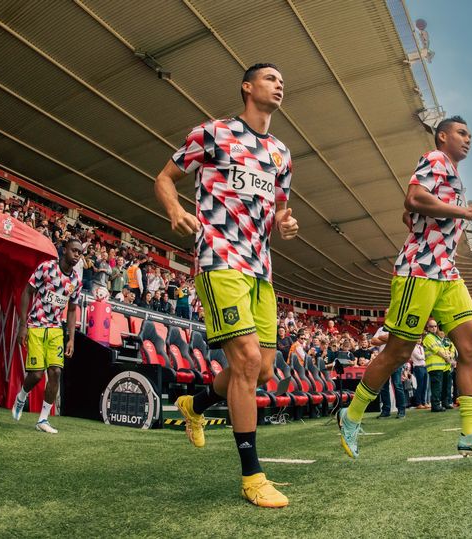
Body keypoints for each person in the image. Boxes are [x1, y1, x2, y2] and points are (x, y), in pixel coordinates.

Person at [154, 63, 297, 507]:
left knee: (264, 370)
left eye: (281, 80)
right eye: (270, 78)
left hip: (261, 268)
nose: (279, 84)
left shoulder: (281, 154)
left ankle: (195, 405)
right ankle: (252, 476)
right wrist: (175, 210)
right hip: (218, 259)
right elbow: (164, 178)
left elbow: (280, 209)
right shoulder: (214, 133)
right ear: (247, 87)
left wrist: (285, 223)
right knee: (248, 360)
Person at [337, 115, 472, 460]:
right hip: (419, 269)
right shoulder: (435, 158)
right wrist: (464, 212)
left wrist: (428, 216)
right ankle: (351, 415)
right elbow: (414, 198)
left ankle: (471, 432)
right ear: (442, 136)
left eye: (470, 135)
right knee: (398, 353)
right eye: (461, 133)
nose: (468, 139)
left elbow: (417, 210)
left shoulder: (452, 172)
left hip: (447, 272)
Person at [11, 239, 82, 434]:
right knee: (36, 374)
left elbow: (72, 310)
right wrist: (22, 325)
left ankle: (43, 419)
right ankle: (21, 396)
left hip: (56, 330)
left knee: (56, 372)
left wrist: (71, 338)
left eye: (80, 252)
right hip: (36, 325)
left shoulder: (76, 281)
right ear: (64, 250)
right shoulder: (47, 268)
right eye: (74, 250)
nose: (77, 255)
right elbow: (27, 292)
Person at [423, 320, 450, 412]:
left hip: (440, 366)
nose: (434, 328)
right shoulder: (428, 337)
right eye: (431, 326)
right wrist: (447, 358)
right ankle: (435, 405)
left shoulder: (436, 337)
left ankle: (438, 404)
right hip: (434, 366)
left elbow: (443, 349)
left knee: (439, 387)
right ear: (428, 327)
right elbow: (437, 350)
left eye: (435, 326)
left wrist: (447, 357)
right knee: (436, 387)